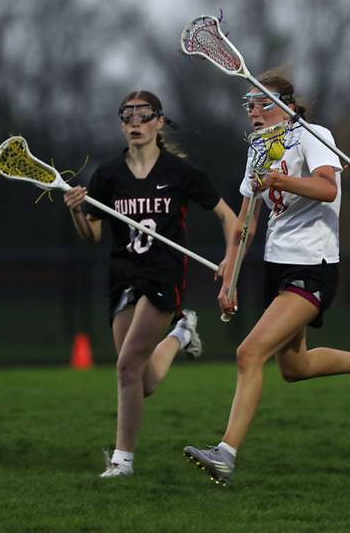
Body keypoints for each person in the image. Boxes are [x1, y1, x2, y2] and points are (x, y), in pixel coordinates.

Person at [182, 73, 350, 486]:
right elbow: (246, 220)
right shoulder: (259, 151)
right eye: (247, 105)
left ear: (283, 104)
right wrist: (230, 274)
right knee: (294, 367)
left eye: (258, 103)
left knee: (249, 353)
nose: (251, 111)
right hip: (277, 265)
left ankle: (225, 454)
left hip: (313, 264)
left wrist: (281, 180)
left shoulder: (313, 135)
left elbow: (327, 188)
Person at [63, 90, 238, 477]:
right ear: (122, 124)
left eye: (144, 116)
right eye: (128, 116)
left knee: (125, 366)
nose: (136, 123)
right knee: (139, 381)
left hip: (164, 273)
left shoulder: (180, 172)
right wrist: (78, 210)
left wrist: (230, 261)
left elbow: (229, 217)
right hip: (122, 274)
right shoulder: (108, 174)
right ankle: (180, 333)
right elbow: (91, 234)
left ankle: (122, 461)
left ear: (159, 122)